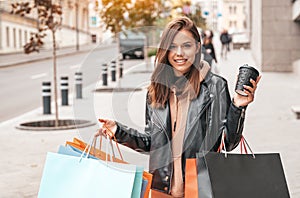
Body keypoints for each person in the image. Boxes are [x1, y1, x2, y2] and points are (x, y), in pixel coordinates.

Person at [96, 17, 261, 197]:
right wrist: (118, 131)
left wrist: (238, 107)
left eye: (187, 46)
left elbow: (228, 143)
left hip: (200, 190)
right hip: (162, 189)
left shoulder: (215, 87)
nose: (179, 53)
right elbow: (153, 143)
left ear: (198, 47)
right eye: (173, 46)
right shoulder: (156, 90)